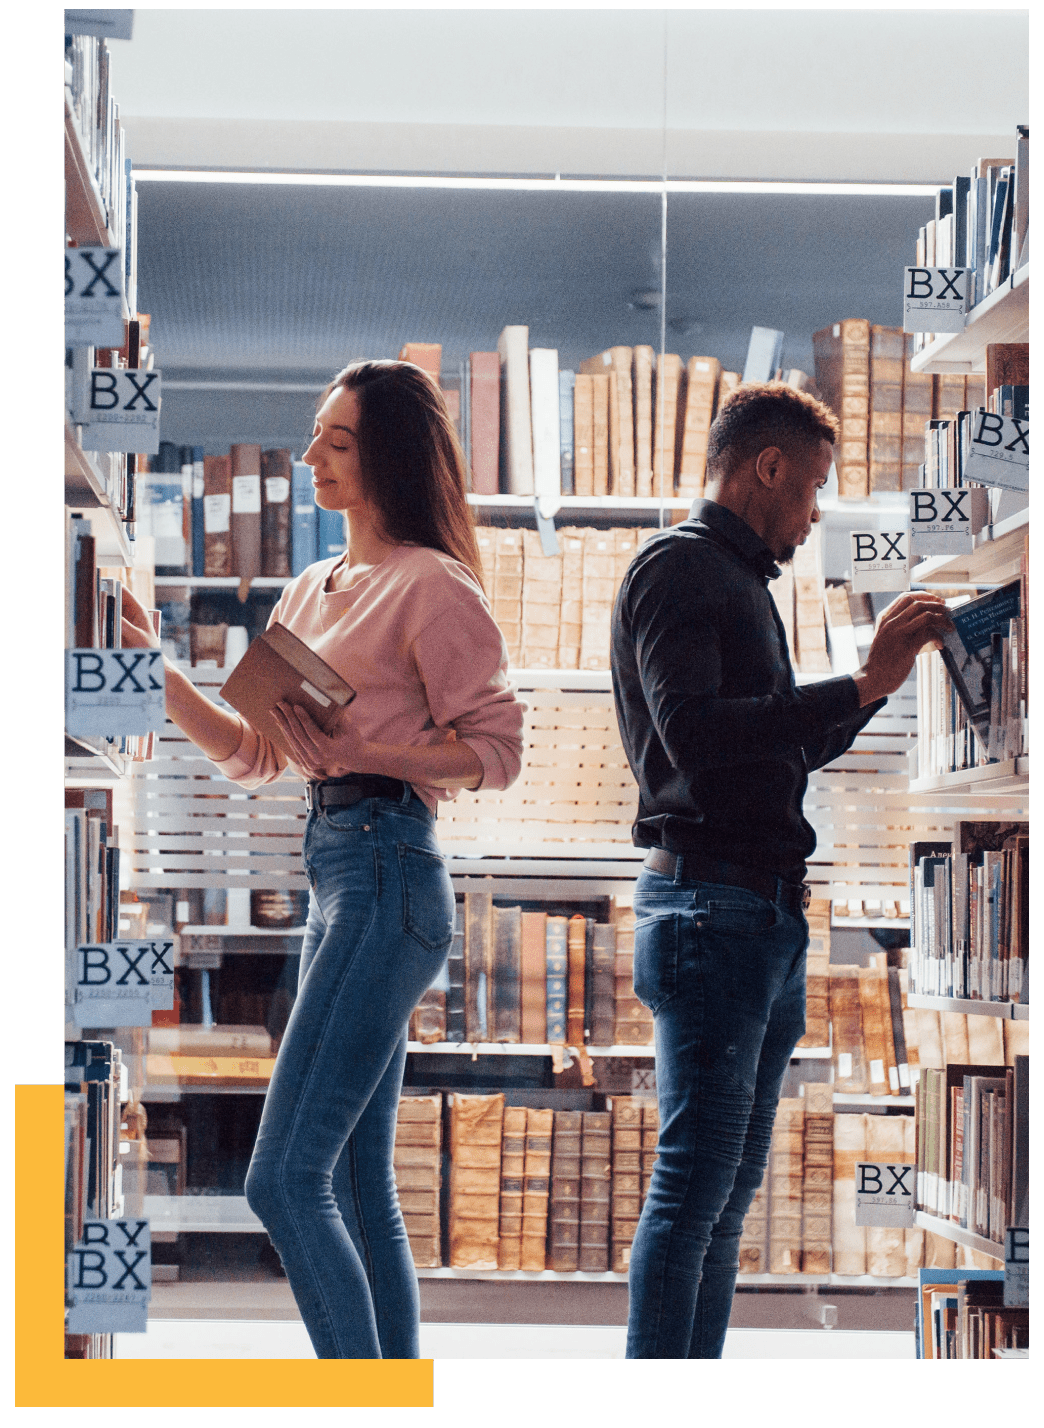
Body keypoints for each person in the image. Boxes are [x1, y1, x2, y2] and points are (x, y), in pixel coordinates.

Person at [120, 360, 525, 1358]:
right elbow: (258, 752)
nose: (311, 457)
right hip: (339, 878)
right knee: (349, 1180)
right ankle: (396, 1394)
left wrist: (368, 753)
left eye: (336, 443)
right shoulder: (312, 587)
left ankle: (359, 1400)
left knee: (283, 1180)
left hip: (390, 867)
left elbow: (500, 753)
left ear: (384, 455)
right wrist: (157, 672)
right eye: (315, 437)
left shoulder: (432, 585)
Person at [610, 382, 952, 1359]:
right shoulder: (682, 571)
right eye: (810, 491)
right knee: (693, 1189)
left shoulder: (740, 583)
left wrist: (870, 693)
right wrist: (859, 682)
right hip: (711, 909)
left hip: (752, 915)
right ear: (767, 468)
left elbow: (778, 755)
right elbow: (699, 743)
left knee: (721, 1197)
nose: (814, 513)